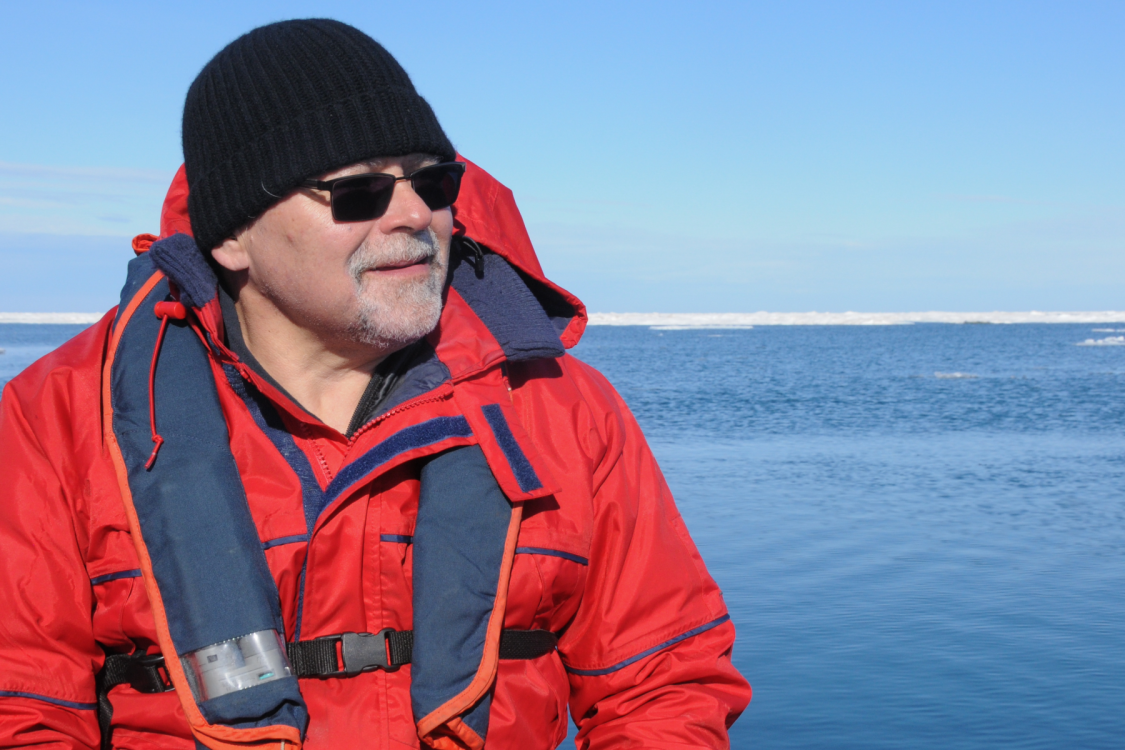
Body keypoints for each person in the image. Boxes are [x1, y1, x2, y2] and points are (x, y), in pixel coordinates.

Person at [0, 18, 751, 750]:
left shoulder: (561, 407)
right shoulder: (59, 418)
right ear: (234, 236)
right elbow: (19, 702)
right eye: (356, 192)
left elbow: (663, 683)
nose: (414, 214)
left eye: (433, 182)